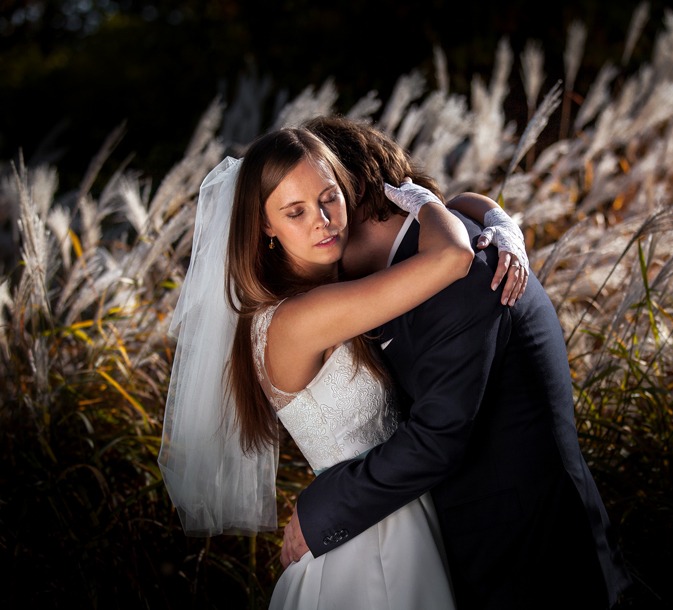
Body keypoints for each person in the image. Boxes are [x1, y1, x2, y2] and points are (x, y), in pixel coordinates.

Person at [158, 126, 528, 608]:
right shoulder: (300, 318)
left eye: (329, 198)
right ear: (265, 226)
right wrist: (420, 198)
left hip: (389, 509)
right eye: (295, 212)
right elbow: (455, 256)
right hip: (369, 536)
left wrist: (501, 223)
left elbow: (463, 209)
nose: (323, 221)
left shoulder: (325, 290)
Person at [280, 115, 631, 608]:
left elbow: (437, 438)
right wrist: (493, 213)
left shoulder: (460, 277)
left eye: (325, 200)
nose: (321, 227)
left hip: (530, 559)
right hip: (479, 549)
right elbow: (463, 201)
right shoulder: (424, 258)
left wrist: (320, 511)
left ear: (352, 194)